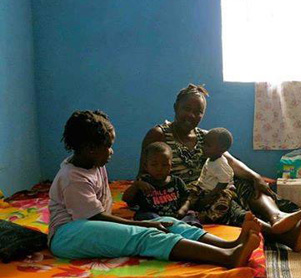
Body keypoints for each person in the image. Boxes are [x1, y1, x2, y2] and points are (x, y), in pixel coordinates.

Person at [48, 110, 260, 268]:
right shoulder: (72, 178)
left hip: (90, 226)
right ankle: (227, 258)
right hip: (69, 236)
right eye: (108, 147)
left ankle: (228, 245)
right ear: (90, 149)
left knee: (169, 222)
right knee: (146, 235)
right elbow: (95, 217)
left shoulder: (93, 164)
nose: (111, 152)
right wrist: (143, 224)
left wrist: (149, 222)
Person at [138, 84, 301, 252]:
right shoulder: (159, 134)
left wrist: (256, 177)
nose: (192, 115)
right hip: (186, 196)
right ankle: (285, 235)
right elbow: (144, 173)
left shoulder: (205, 137)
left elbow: (230, 161)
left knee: (247, 181)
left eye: (198, 112)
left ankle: (276, 216)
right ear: (176, 107)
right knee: (227, 204)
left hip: (211, 187)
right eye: (187, 109)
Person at [123, 142, 200, 225]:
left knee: (191, 215)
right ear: (146, 166)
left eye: (164, 165)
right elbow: (126, 199)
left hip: (175, 216)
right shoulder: (143, 183)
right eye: (154, 165)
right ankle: (173, 227)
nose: (159, 169)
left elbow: (186, 200)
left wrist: (182, 210)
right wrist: (136, 185)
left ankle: (183, 227)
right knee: (145, 215)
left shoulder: (177, 181)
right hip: (154, 219)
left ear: (171, 166)